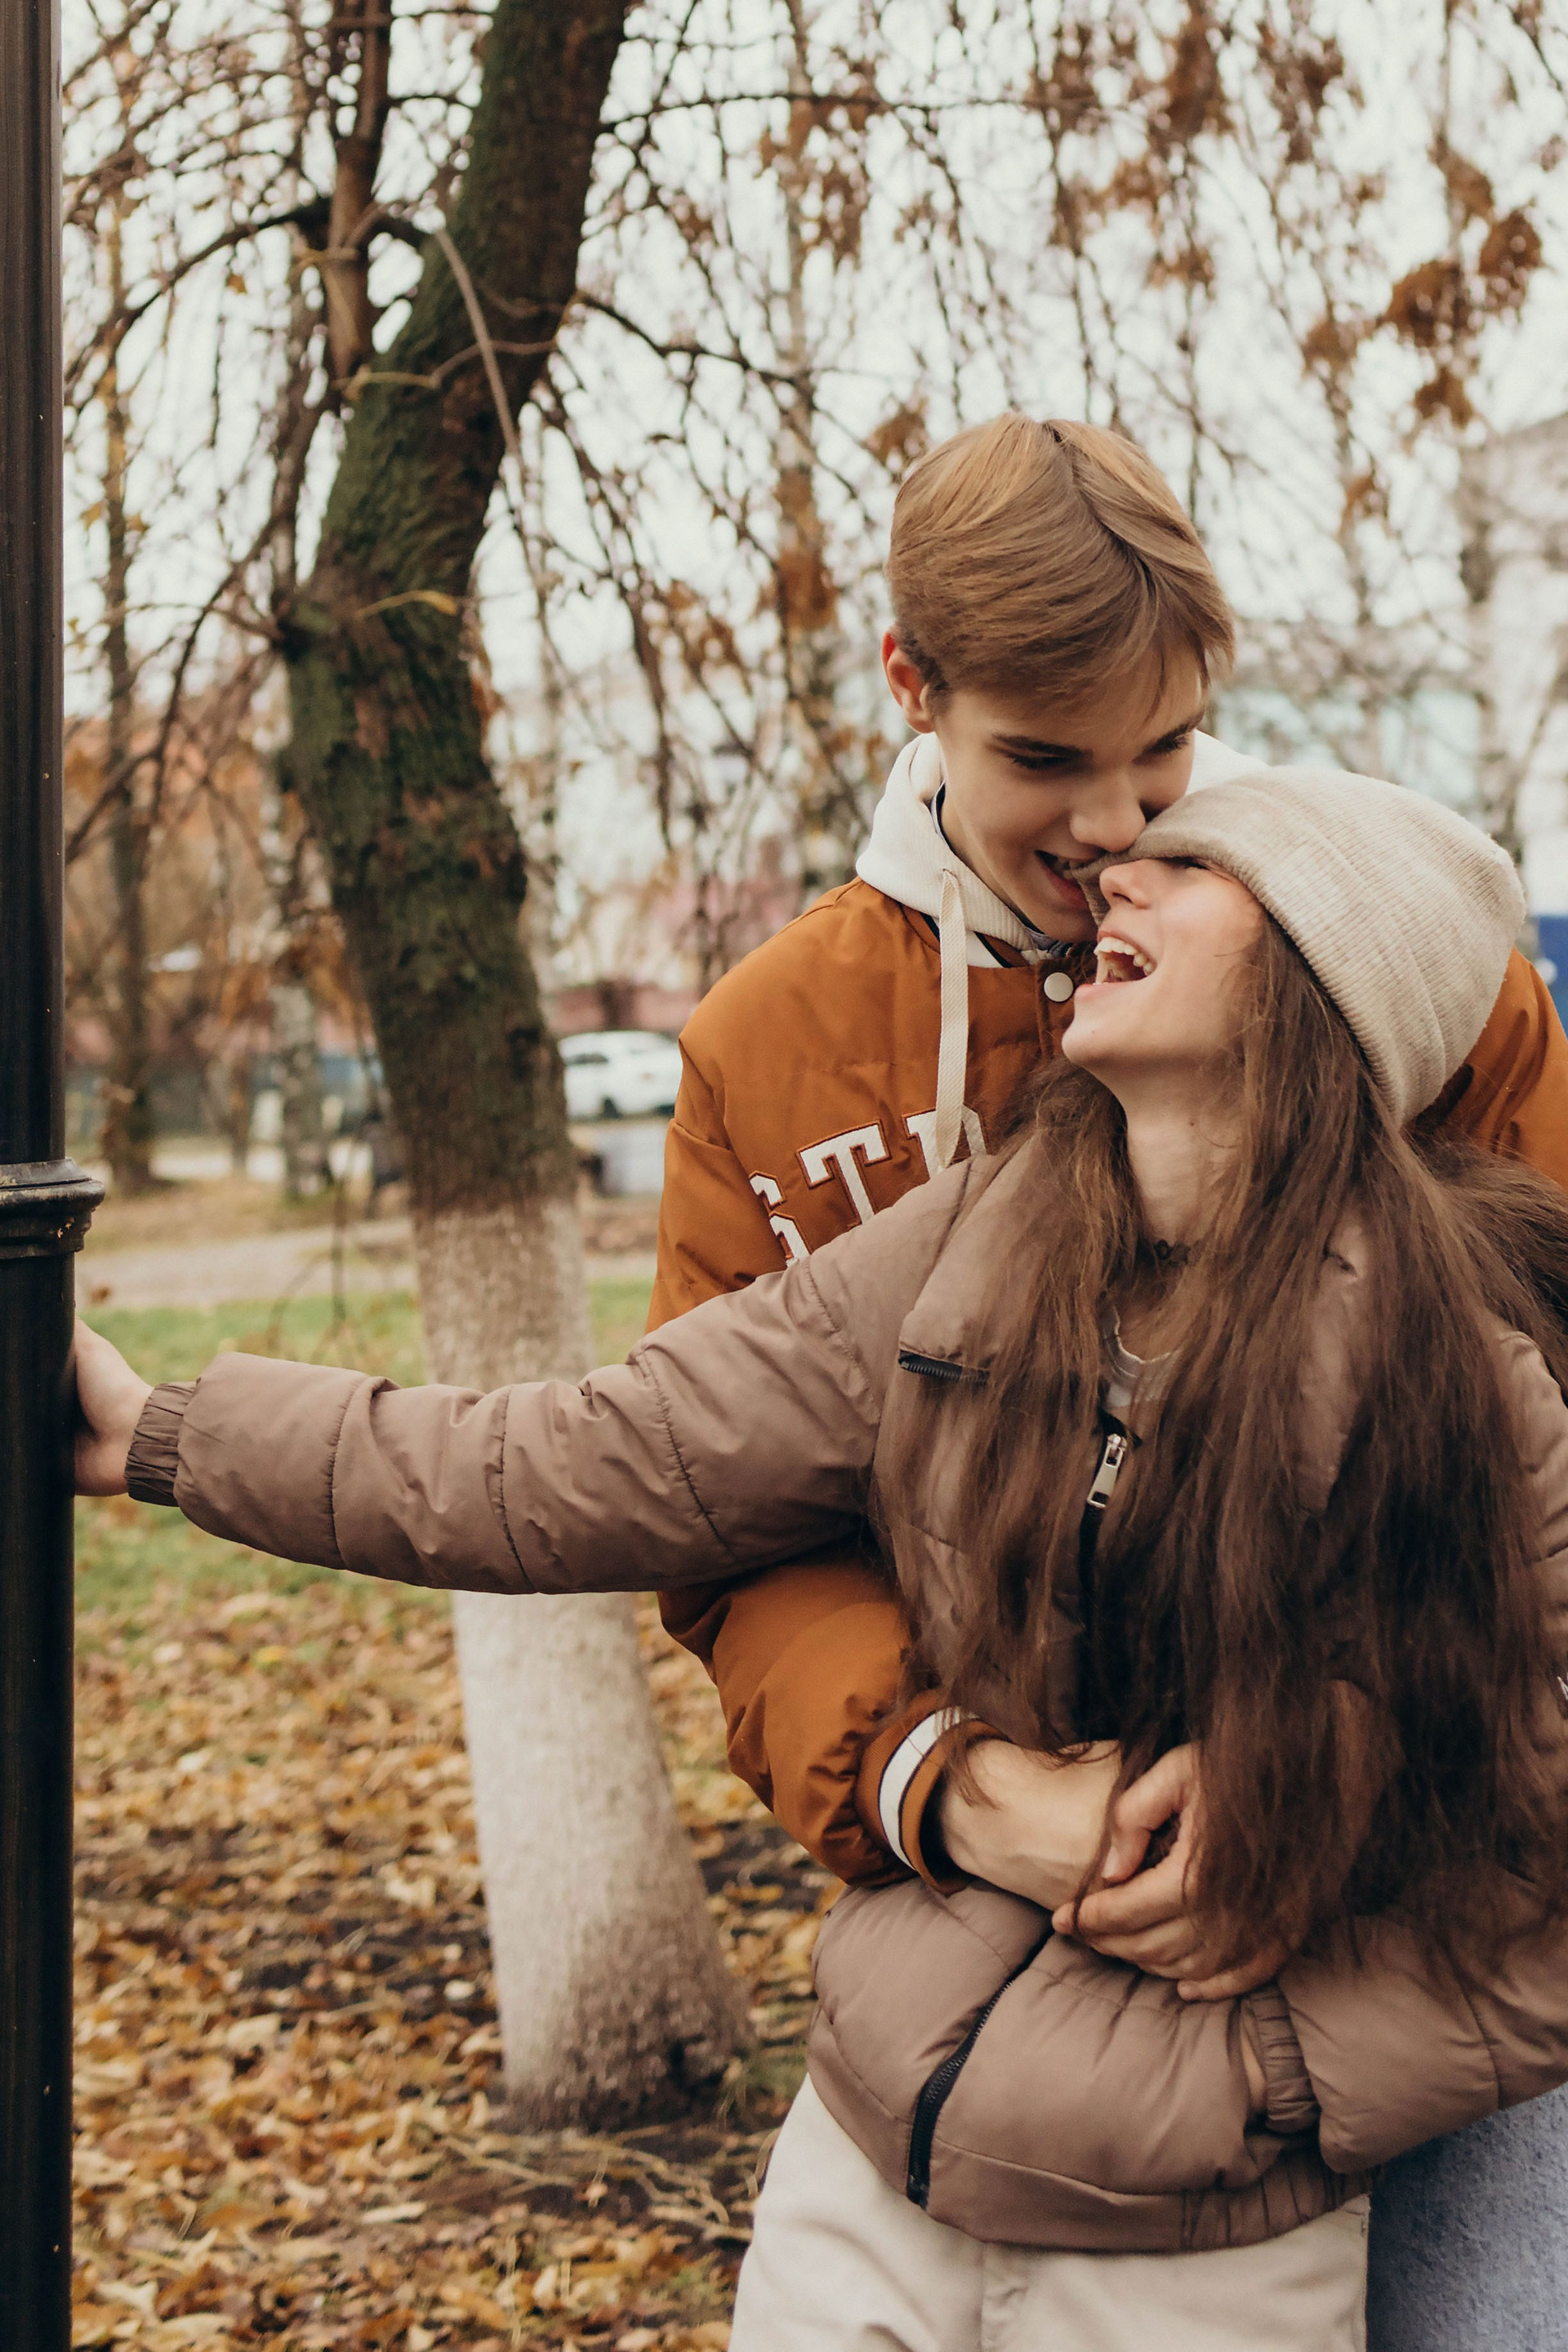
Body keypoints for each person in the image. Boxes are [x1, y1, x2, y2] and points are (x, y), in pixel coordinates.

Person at [76, 767, 1568, 2351]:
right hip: (864, 2175)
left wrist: (1285, 2068)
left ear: (1329, 980)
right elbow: (584, 1457)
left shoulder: (1457, 1384)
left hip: (1199, 2250)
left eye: (1194, 868)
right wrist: (161, 1436)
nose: (1119, 877)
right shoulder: (976, 1244)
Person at [645, 412, 1568, 1916]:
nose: (1111, 821)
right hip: (1003, 1886)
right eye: (1042, 758)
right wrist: (955, 1785)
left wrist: (1351, 1739)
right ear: (912, 686)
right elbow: (721, 1507)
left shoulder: (1402, 955)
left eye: (1164, 748)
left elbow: (1545, 1397)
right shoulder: (774, 1044)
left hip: (1419, 1845)